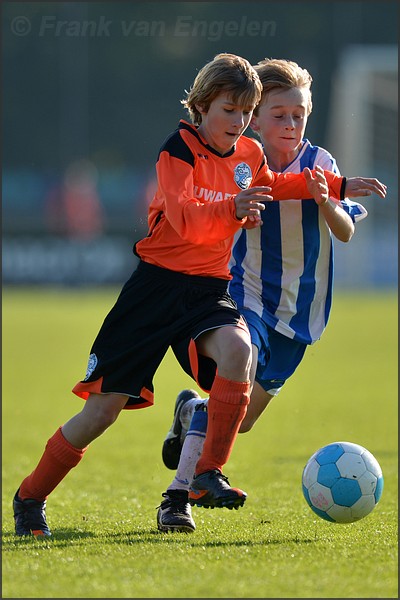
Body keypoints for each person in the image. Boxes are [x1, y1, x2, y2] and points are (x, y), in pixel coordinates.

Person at [13, 53, 386, 538]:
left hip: (208, 291)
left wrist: (336, 184)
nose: (239, 122)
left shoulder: (250, 156)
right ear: (203, 105)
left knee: (239, 351)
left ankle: (206, 475)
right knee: (100, 413)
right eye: (229, 109)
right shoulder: (178, 150)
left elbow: (275, 183)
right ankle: (30, 496)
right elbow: (186, 218)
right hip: (155, 289)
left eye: (246, 112)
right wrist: (234, 207)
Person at [156, 58, 384, 533]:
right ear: (255, 117)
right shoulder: (241, 158)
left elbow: (343, 231)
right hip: (246, 294)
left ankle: (188, 412)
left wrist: (325, 200)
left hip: (301, 315)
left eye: (299, 115)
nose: (290, 124)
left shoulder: (321, 164)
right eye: (279, 115)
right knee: (236, 375)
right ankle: (179, 497)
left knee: (239, 422)